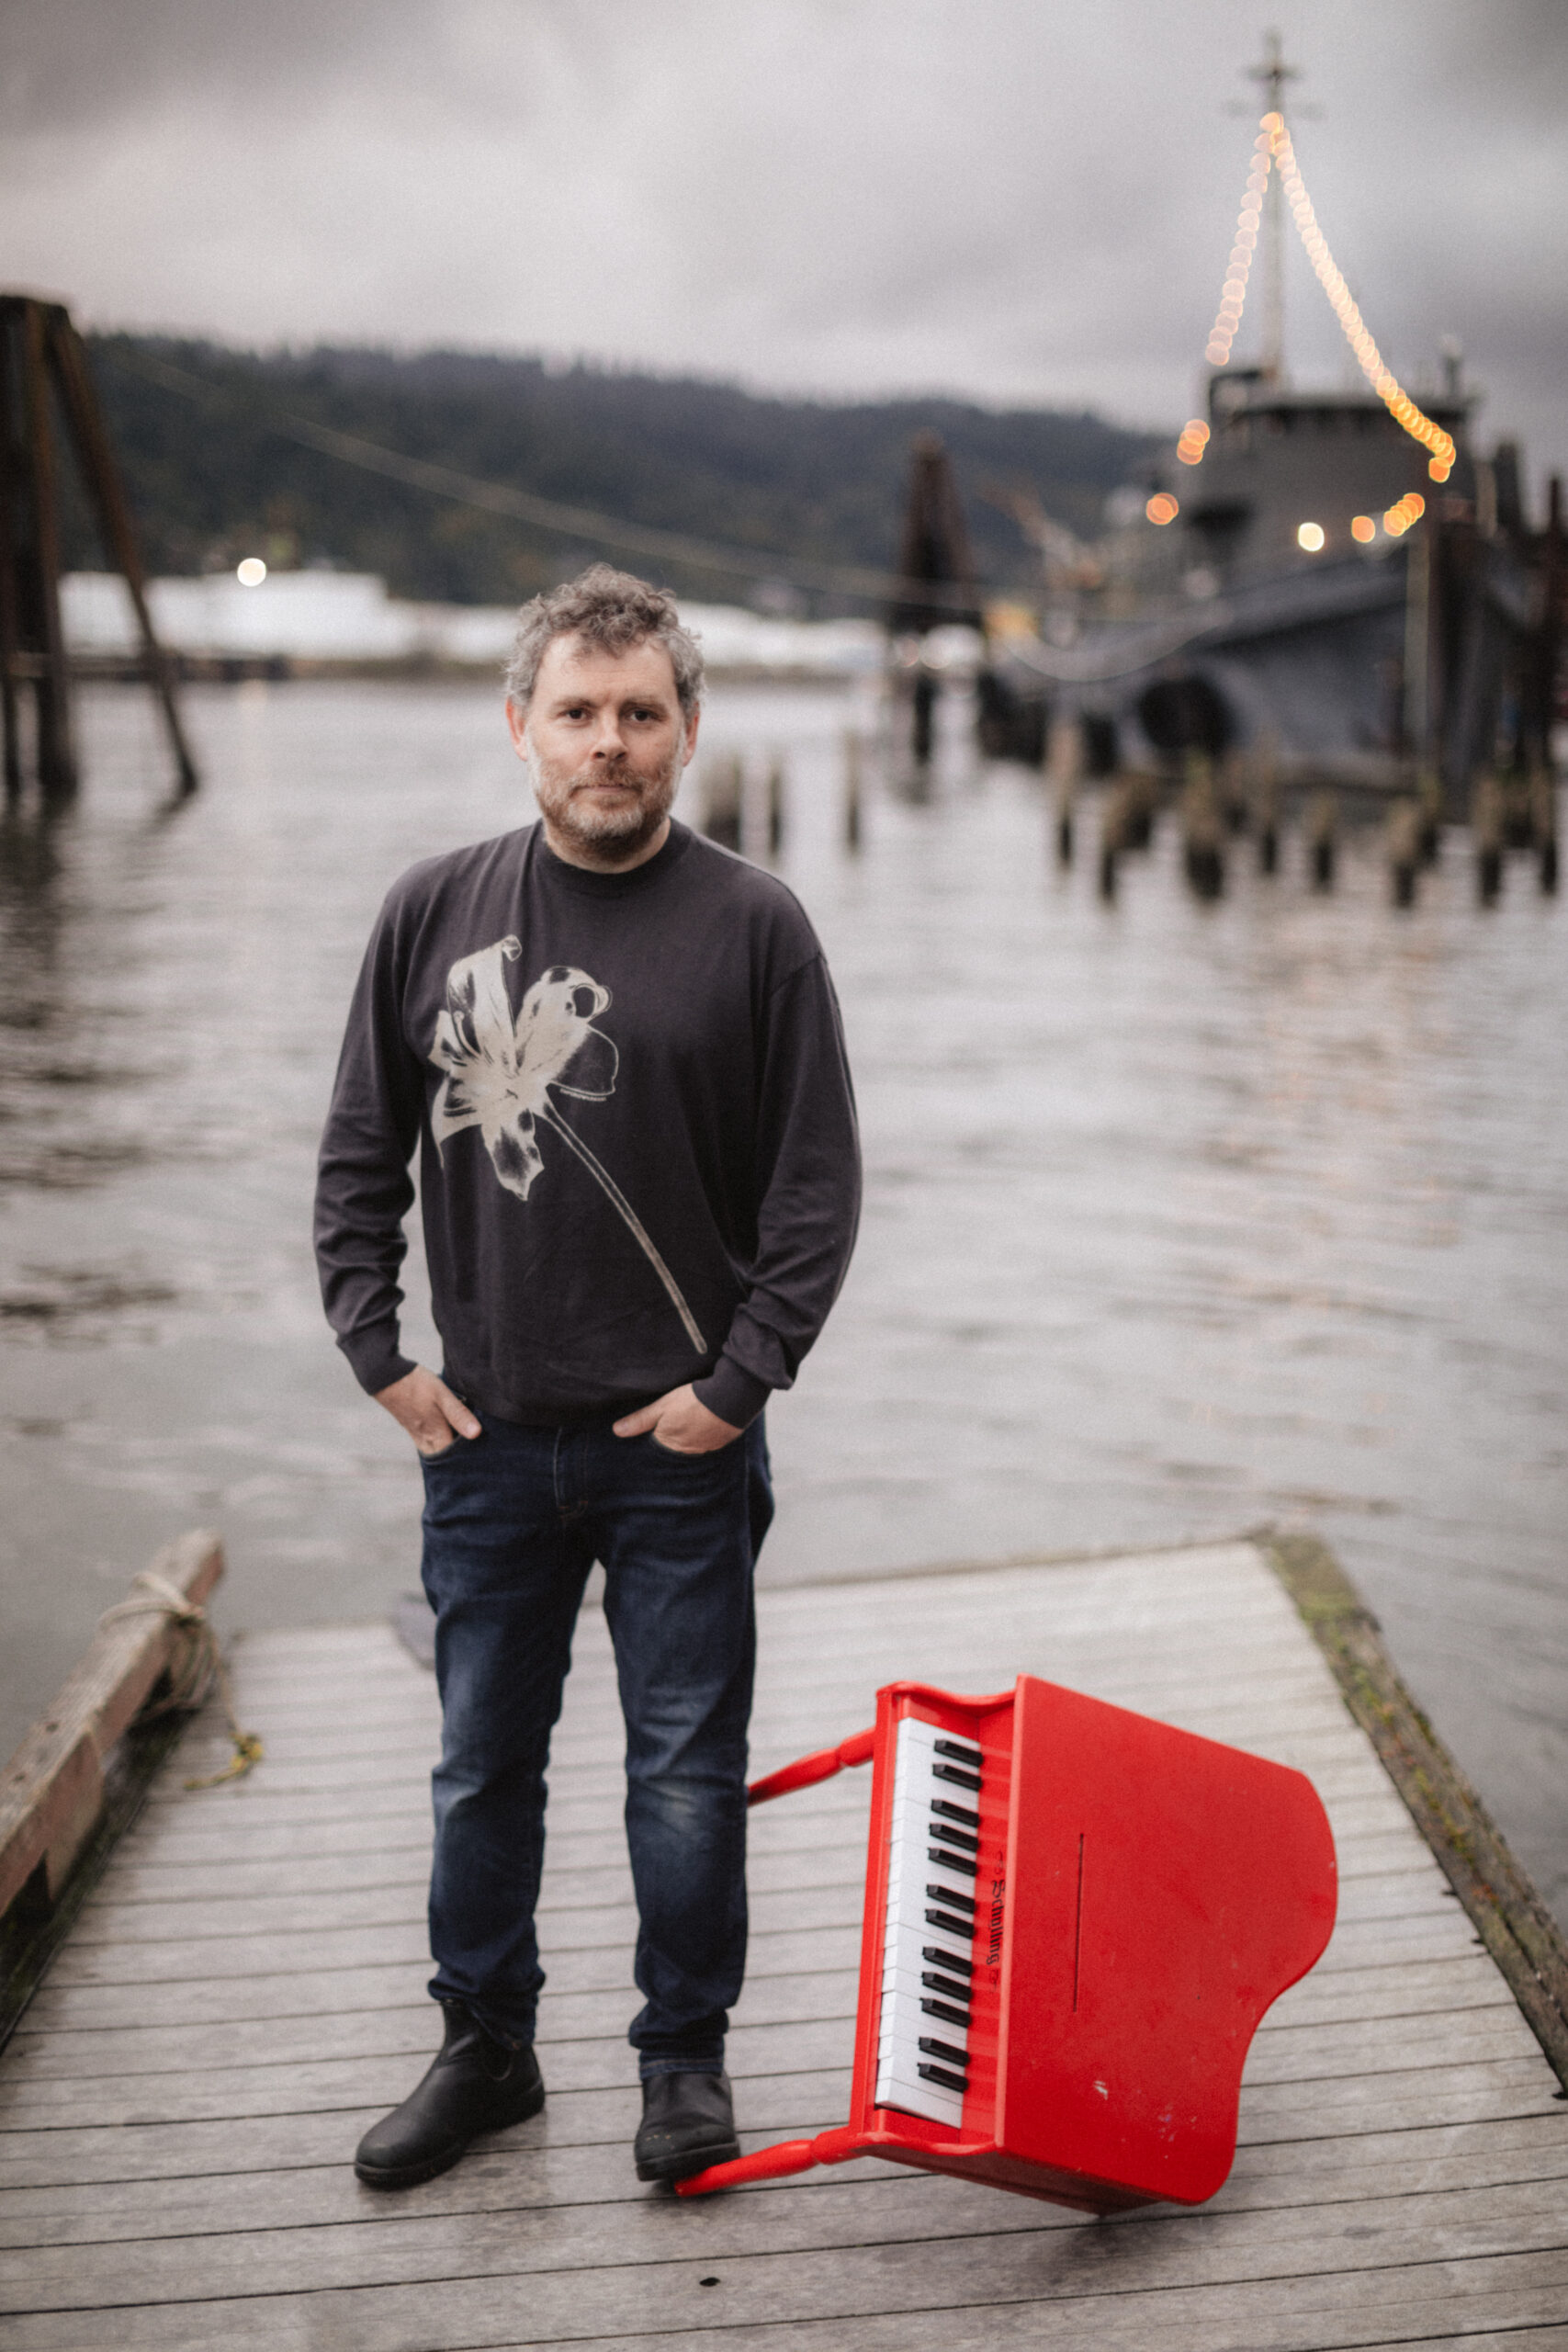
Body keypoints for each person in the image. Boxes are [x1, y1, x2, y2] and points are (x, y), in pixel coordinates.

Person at [314, 565, 860, 2189]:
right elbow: (358, 1160)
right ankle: (485, 2047)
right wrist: (382, 1360)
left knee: (685, 1772)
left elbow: (814, 1192)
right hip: (483, 1441)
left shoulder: (757, 928)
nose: (607, 743)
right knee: (484, 1761)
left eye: (640, 713)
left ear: (689, 732)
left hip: (682, 1443)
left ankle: (681, 2065)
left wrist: (739, 1385)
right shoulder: (431, 911)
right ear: (519, 728)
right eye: (577, 714)